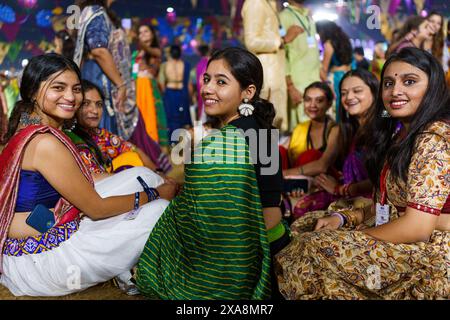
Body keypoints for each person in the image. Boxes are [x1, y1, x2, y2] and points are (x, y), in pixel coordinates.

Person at [275, 47, 450, 299]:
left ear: (432, 88)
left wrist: (353, 236)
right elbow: (386, 201)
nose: (395, 91)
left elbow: (418, 227)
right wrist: (345, 219)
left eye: (409, 82)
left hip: (429, 251)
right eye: (388, 83)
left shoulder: (433, 137)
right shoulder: (399, 132)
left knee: (312, 248)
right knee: (307, 225)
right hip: (396, 227)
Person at [0, 53, 178, 297]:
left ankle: (131, 266)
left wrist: (145, 181)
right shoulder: (45, 143)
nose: (71, 97)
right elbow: (96, 209)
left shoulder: (35, 128)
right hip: (41, 262)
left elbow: (81, 178)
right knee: (156, 209)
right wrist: (155, 193)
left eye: (75, 89)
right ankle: (141, 271)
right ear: (33, 91)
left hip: (44, 233)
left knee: (140, 175)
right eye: (58, 88)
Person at [136, 47, 288, 299]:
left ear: (247, 92)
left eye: (221, 82)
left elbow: (199, 213)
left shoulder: (224, 143)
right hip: (274, 237)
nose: (207, 89)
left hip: (242, 255)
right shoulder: (260, 128)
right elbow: (268, 201)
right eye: (207, 79)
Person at [74, 0, 165, 169]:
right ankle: (101, 171)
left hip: (105, 75)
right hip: (101, 77)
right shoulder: (95, 11)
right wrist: (120, 84)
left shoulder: (101, 13)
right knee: (97, 121)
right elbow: (99, 50)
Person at [289, 69, 376, 220]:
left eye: (357, 91)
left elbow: (381, 180)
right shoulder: (349, 128)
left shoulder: (385, 126)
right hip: (347, 193)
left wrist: (341, 189)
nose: (349, 97)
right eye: (344, 93)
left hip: (372, 204)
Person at [65, 80, 168, 181]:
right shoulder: (71, 139)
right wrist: (138, 177)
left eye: (99, 104)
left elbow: (133, 149)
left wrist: (157, 174)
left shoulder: (101, 135)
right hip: (96, 193)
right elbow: (95, 178)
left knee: (132, 156)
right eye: (86, 104)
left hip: (111, 184)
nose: (95, 111)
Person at [242, 0, 303, 132]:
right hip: (266, 76)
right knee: (264, 127)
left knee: (274, 128)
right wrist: (282, 40)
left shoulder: (269, 4)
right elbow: (252, 41)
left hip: (275, 73)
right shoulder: (256, 3)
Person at [281, 81, 339, 177]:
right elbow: (281, 151)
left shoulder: (335, 129)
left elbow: (322, 166)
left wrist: (283, 174)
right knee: (278, 151)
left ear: (329, 104)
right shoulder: (300, 128)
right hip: (294, 180)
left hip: (321, 182)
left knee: (310, 156)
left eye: (319, 100)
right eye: (308, 100)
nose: (312, 105)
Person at [280, 0, 321, 128]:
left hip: (315, 81)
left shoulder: (308, 17)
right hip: (298, 85)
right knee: (301, 134)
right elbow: (282, 54)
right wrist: (290, 86)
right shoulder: (283, 16)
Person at [131, 23, 169, 148]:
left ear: (152, 35)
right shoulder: (135, 54)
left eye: (146, 31)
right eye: (140, 32)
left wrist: (136, 39)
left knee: (150, 118)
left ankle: (152, 149)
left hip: (148, 88)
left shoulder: (156, 51)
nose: (142, 35)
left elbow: (148, 49)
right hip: (136, 88)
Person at [316, 20, 354, 122]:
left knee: (336, 108)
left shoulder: (329, 44)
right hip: (347, 77)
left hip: (335, 79)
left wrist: (327, 83)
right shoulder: (346, 41)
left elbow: (323, 69)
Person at [158, 44, 193, 140]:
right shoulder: (167, 65)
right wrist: (189, 98)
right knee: (177, 118)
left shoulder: (165, 65)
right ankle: (176, 142)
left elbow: (161, 82)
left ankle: (177, 142)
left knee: (175, 119)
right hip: (178, 94)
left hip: (172, 94)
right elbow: (189, 84)